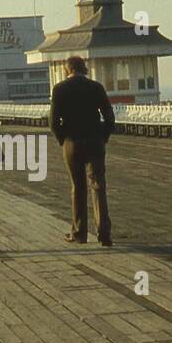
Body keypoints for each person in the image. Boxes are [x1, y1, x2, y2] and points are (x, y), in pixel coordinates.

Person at [49, 56, 114, 245]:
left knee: (78, 187)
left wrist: (63, 139)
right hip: (94, 140)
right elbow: (109, 117)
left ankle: (79, 233)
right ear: (84, 68)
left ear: (67, 70)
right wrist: (103, 137)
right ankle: (104, 234)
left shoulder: (59, 89)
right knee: (98, 185)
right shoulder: (96, 87)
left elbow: (53, 122)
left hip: (72, 142)